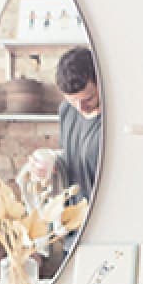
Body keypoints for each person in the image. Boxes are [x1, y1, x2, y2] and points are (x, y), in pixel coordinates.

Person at [55, 46, 100, 201]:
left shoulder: (113, 120)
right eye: (73, 100)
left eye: (88, 99)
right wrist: (53, 163)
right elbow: (71, 158)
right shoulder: (66, 110)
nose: (81, 108)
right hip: (74, 217)